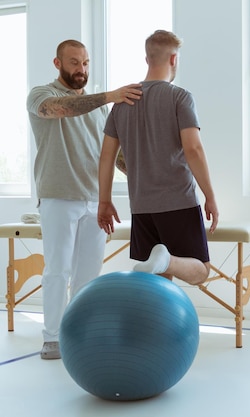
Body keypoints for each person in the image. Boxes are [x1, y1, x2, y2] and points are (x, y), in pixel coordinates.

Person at [26, 39, 143, 360]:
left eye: (86, 63)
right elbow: (60, 110)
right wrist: (109, 96)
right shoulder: (41, 95)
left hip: (95, 200)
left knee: (88, 275)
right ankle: (52, 338)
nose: (82, 69)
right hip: (58, 197)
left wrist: (142, 173)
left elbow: (112, 156)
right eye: (75, 62)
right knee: (58, 270)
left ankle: (78, 333)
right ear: (58, 63)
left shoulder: (99, 109)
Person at [97, 30, 219, 289]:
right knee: (200, 271)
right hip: (178, 201)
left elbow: (106, 157)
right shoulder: (179, 97)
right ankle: (167, 261)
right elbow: (193, 149)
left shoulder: (122, 103)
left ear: (147, 59)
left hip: (141, 205)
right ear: (174, 59)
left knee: (159, 281)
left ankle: (164, 269)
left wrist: (104, 201)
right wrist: (210, 195)